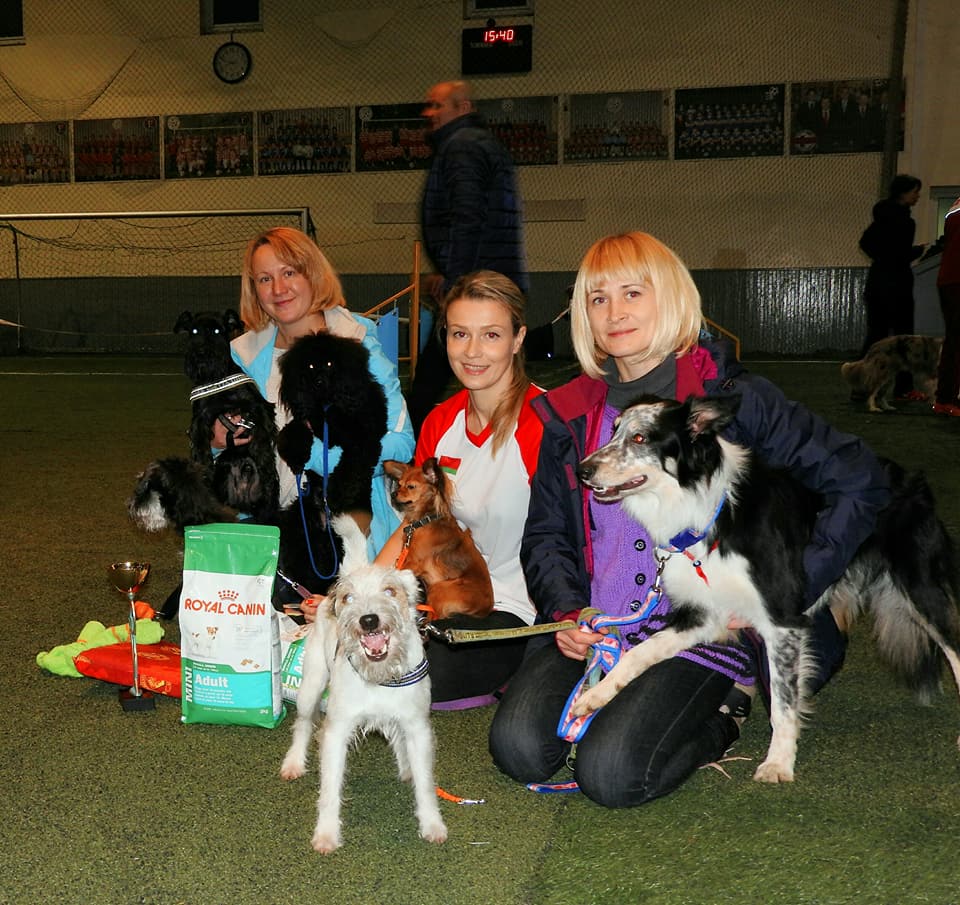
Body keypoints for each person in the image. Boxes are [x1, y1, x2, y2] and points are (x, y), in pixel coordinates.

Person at [488, 231, 891, 808]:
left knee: (612, 774)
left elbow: (859, 479)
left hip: (707, 626)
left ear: (672, 297)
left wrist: (796, 579)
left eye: (633, 292)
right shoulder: (569, 413)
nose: (614, 312)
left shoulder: (734, 399)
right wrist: (566, 610)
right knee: (519, 749)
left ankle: (731, 704)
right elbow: (546, 534)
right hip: (603, 623)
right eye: (598, 298)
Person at [372, 270, 543, 705]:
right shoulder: (440, 421)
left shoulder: (545, 423)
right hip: (446, 597)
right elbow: (414, 525)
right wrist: (365, 590)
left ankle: (527, 662)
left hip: (517, 609)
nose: (472, 351)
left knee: (412, 675)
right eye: (459, 334)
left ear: (518, 339)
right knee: (363, 646)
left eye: (491, 335)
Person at [224, 226, 414, 556]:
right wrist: (221, 444)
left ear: (312, 274)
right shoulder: (245, 355)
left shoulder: (357, 343)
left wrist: (314, 456)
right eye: (265, 279)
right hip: (268, 528)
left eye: (289, 273)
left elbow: (402, 443)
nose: (278, 289)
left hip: (349, 525)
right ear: (254, 289)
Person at [406, 79, 528, 433]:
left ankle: (412, 440)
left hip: (478, 284)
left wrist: (457, 280)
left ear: (463, 108)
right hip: (490, 276)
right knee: (497, 367)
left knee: (439, 370)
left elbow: (467, 216)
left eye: (437, 105)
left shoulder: (462, 147)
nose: (429, 112)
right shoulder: (477, 144)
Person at [933, 195, 960, 417]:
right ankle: (949, 398)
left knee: (953, 341)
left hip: (949, 280)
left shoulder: (954, 207)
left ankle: (944, 398)